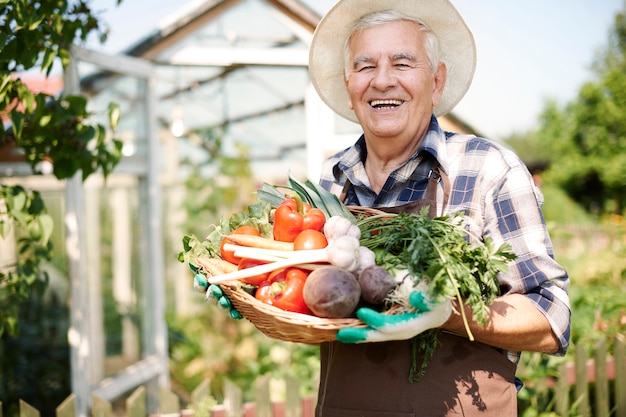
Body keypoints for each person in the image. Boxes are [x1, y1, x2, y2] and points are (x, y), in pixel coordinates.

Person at [208, 0, 570, 415]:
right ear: (349, 87)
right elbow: (321, 303)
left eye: (402, 63)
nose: (382, 81)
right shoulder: (331, 179)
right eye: (365, 67)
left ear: (436, 82)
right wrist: (254, 289)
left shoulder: (488, 168)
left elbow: (551, 317)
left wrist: (448, 313)